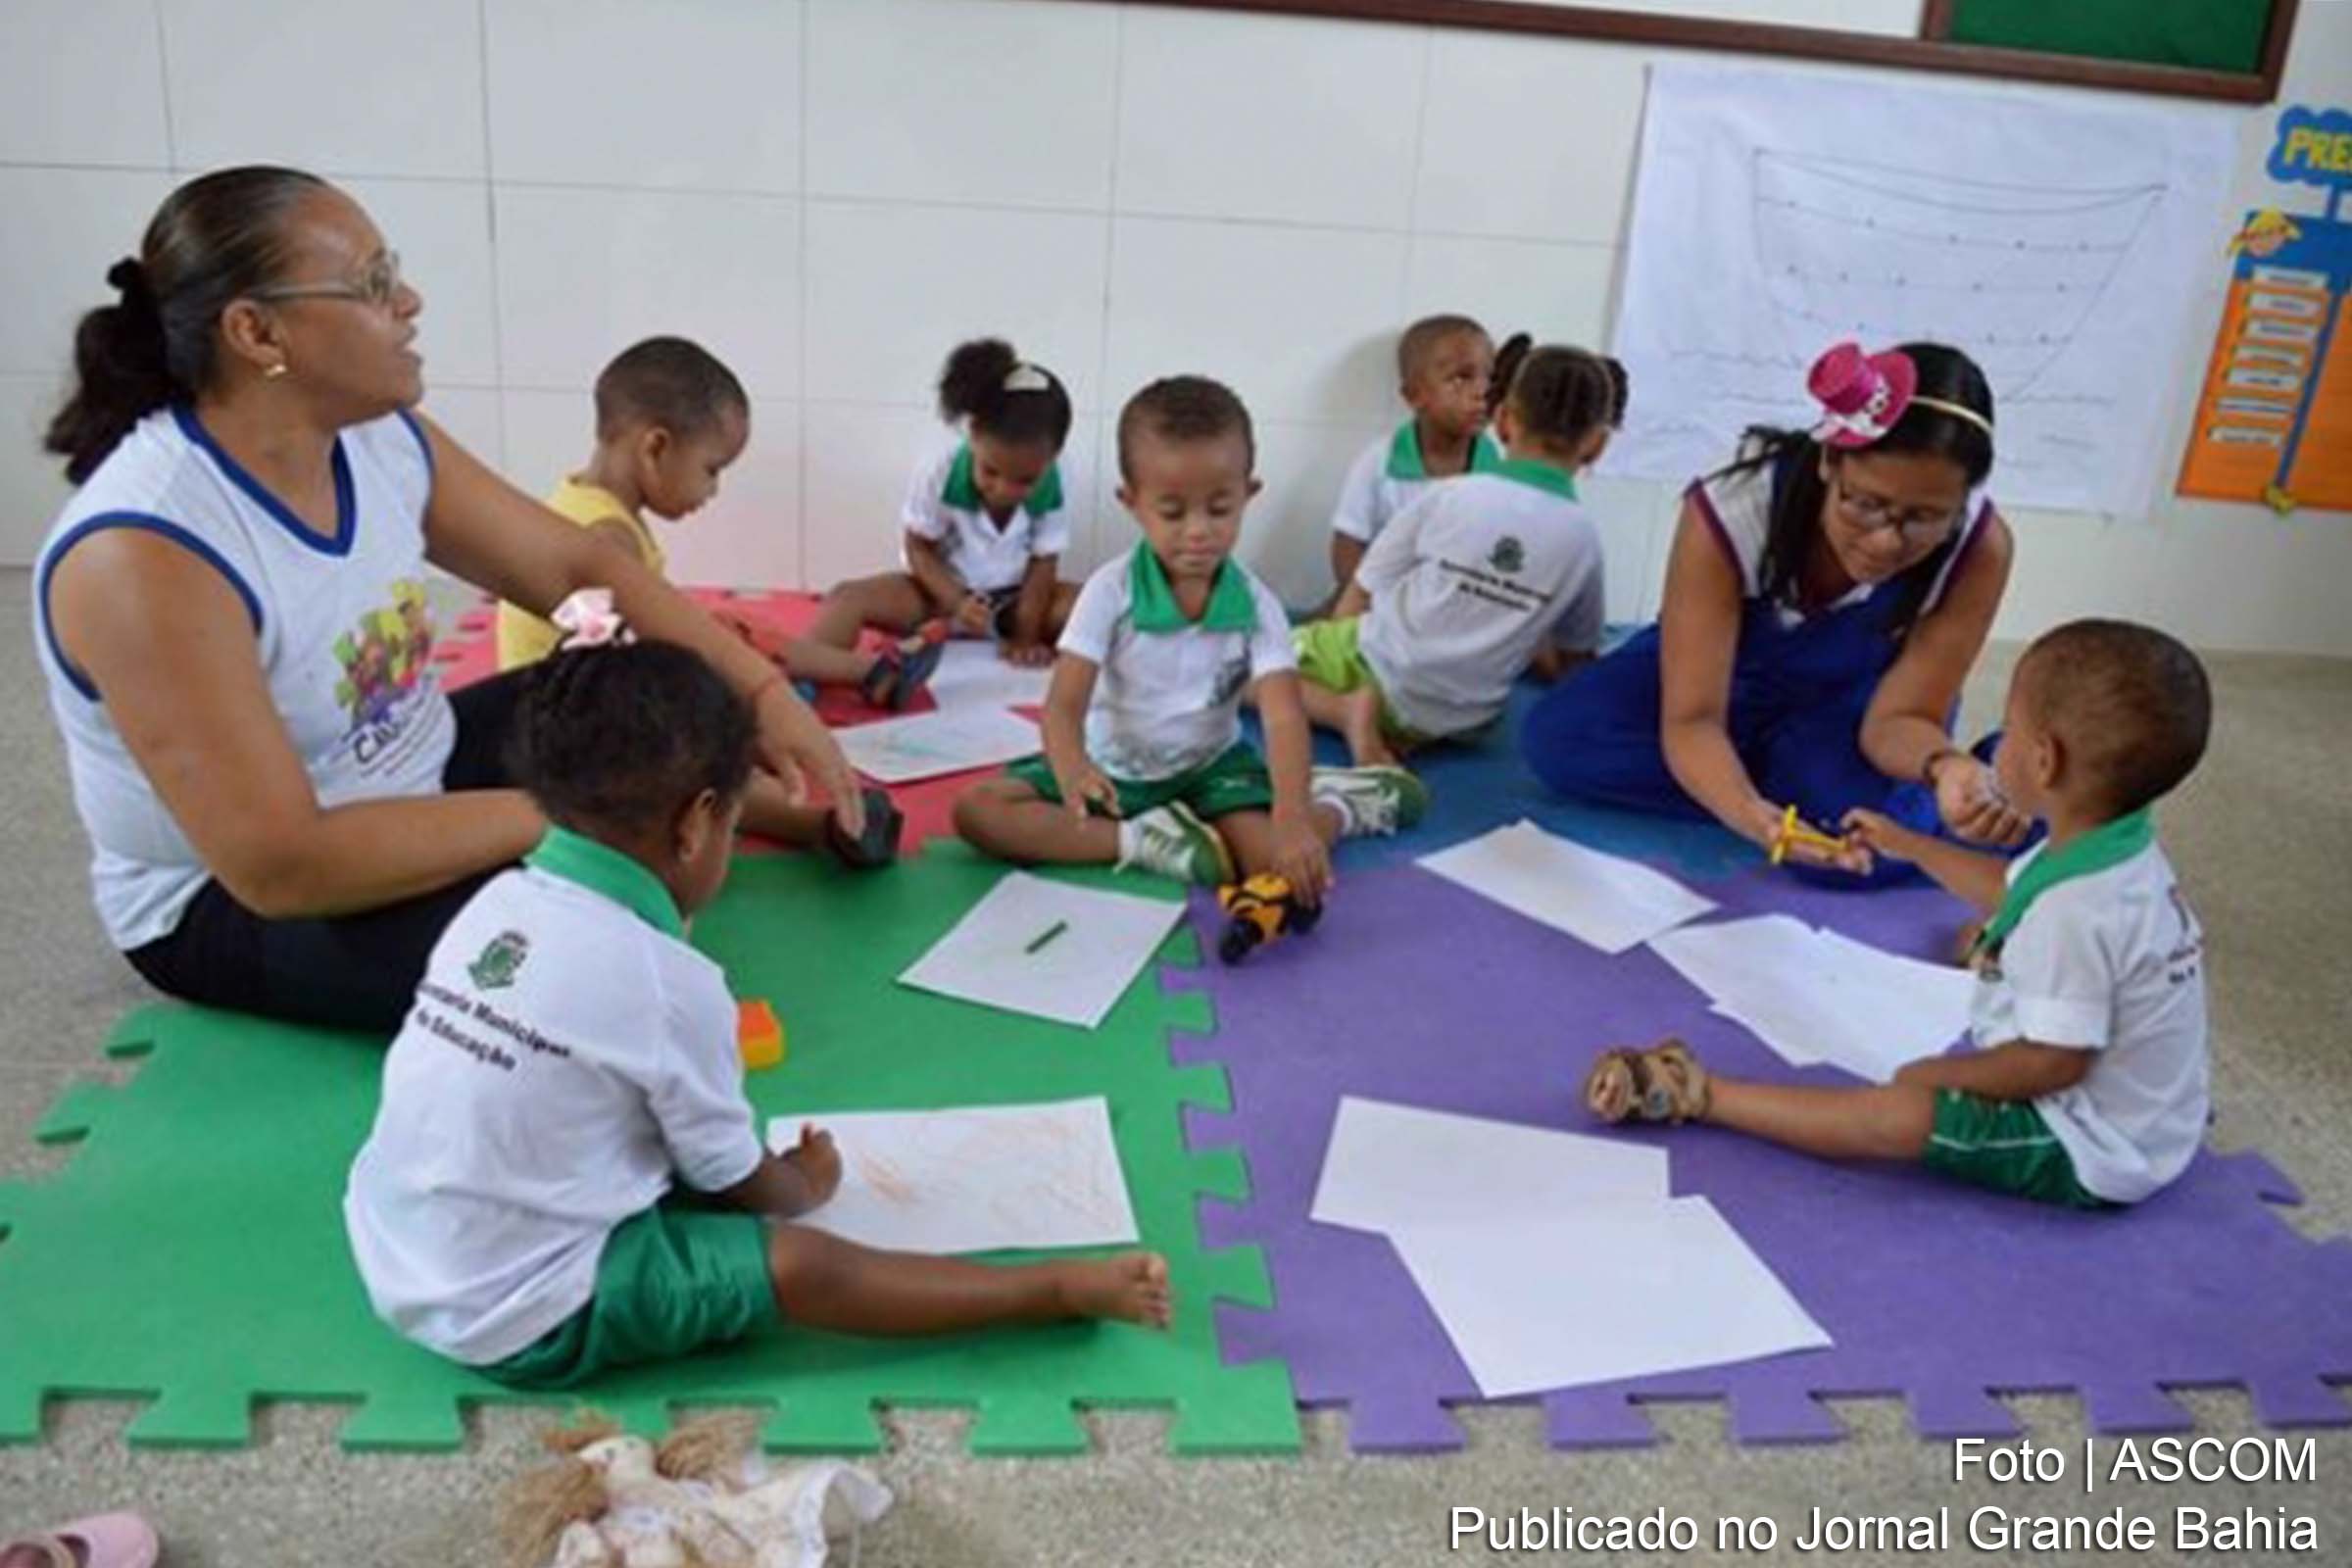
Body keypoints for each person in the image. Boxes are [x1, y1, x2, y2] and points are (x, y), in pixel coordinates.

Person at [30, 166, 861, 1034]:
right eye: (374, 284)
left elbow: (577, 566)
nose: (411, 301)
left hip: (414, 775)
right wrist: (573, 814)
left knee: (671, 688)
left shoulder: (375, 440)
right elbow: (283, 865)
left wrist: (760, 695)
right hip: (238, 901)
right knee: (582, 972)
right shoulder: (148, 553)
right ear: (256, 330)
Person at [343, 642, 1170, 1389]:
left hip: (392, 1248)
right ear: (699, 824)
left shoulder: (496, 900)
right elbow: (736, 1182)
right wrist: (804, 1184)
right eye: (737, 823)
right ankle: (1050, 1291)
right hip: (518, 1313)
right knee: (798, 1265)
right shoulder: (668, 979)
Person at [1584, 619, 2211, 1210]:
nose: (2000, 744)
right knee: (1991, 942)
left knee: (1902, 1115)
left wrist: (1937, 1076)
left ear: (2044, 761)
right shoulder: (2112, 844)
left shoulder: (2076, 910)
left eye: (2010, 730)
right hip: (2155, 1105)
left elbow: (2054, 1063)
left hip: (2100, 1146)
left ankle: (1704, 1095)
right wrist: (1907, 843)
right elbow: (2011, 890)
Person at [1519, 341, 2029, 885]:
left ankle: (1984, 777)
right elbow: (1692, 718)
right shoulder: (1734, 508)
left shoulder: (1979, 549)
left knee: (1859, 853)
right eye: (1865, 503)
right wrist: (1752, 817)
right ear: (1831, 460)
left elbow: (1900, 721)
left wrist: (1944, 767)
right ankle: (1780, 778)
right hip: (1729, 680)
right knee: (1560, 740)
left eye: (1925, 517)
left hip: (1857, 704)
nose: (1883, 541)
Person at [954, 376, 1423, 891]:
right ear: (1131, 502)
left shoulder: (1258, 605)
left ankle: (1342, 804)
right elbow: (1063, 706)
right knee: (978, 812)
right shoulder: (1110, 592)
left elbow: (1284, 718)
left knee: (1276, 869)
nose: (1198, 531)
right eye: (1172, 512)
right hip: (1114, 771)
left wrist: (1292, 822)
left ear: (1249, 495)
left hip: (1212, 768)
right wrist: (1071, 769)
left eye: (1219, 509)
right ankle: (1148, 841)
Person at [494, 335, 941, 710]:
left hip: (581, 696)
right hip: (570, 727)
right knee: (735, 662)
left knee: (733, 630)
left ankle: (865, 674)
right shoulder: (608, 538)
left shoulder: (585, 502)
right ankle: (859, 679)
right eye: (712, 469)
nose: (713, 491)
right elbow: (627, 678)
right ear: (655, 448)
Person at [1293, 344, 1613, 768]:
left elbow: (1361, 593)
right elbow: (1576, 663)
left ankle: (1342, 710)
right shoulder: (1585, 540)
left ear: (1502, 421)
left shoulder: (1451, 495)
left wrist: (1331, 655)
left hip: (1385, 672)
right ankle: (1406, 728)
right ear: (1596, 445)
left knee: (1237, 662)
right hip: (1469, 719)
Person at [808, 338, 1078, 668]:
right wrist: (956, 601)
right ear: (973, 435)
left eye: (1024, 480)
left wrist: (1027, 635)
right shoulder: (940, 468)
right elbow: (918, 548)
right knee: (846, 599)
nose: (1003, 490)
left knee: (1100, 608)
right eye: (990, 471)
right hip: (938, 596)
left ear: (1053, 457)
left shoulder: (1056, 475)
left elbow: (1044, 562)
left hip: (1016, 602)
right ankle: (812, 670)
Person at [1323, 315, 1500, 611]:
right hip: (1383, 604)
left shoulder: (1499, 468)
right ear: (1415, 395)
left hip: (1458, 606)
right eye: (1462, 377)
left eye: (1490, 378)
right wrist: (1363, 602)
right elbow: (1347, 544)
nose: (1482, 392)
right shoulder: (1380, 461)